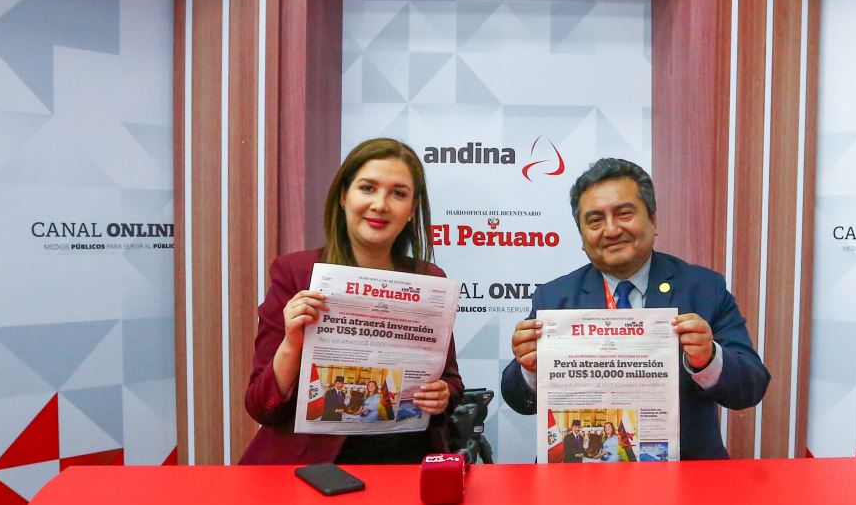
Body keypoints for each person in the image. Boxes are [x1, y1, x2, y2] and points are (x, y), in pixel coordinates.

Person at [501, 157, 769, 460]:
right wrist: (529, 369)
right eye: (595, 220)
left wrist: (708, 359)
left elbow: (752, 387)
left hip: (686, 480)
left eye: (624, 213)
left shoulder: (703, 288)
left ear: (653, 221)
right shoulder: (554, 297)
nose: (612, 230)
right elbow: (519, 401)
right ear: (582, 236)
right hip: (579, 482)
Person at [240, 138, 464, 465]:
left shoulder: (429, 279)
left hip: (406, 463)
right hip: (311, 470)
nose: (380, 205)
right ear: (344, 196)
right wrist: (291, 344)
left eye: (398, 193)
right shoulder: (296, 273)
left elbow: (451, 382)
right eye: (367, 188)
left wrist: (442, 395)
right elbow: (261, 407)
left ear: (412, 209)